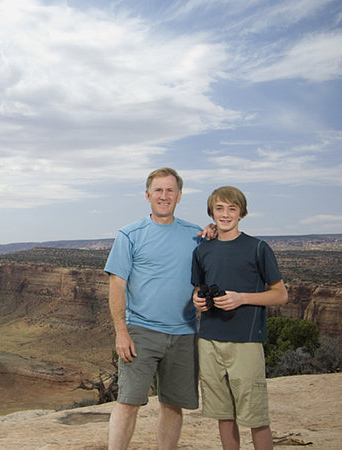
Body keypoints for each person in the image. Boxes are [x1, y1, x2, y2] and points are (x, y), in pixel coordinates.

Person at [104, 167, 209, 450]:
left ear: (179, 195)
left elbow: (206, 273)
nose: (164, 196)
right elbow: (117, 285)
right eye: (159, 191)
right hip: (141, 332)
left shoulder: (195, 235)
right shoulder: (130, 234)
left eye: (170, 190)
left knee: (173, 405)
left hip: (184, 332)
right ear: (147, 195)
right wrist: (121, 332)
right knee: (127, 402)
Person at [192, 186, 288, 450]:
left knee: (256, 417)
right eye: (219, 208)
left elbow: (280, 295)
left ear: (241, 214)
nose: (225, 214)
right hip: (209, 340)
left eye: (232, 209)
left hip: (245, 342)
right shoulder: (202, 251)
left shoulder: (257, 248)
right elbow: (197, 290)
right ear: (212, 212)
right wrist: (197, 300)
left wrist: (241, 298)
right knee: (224, 415)